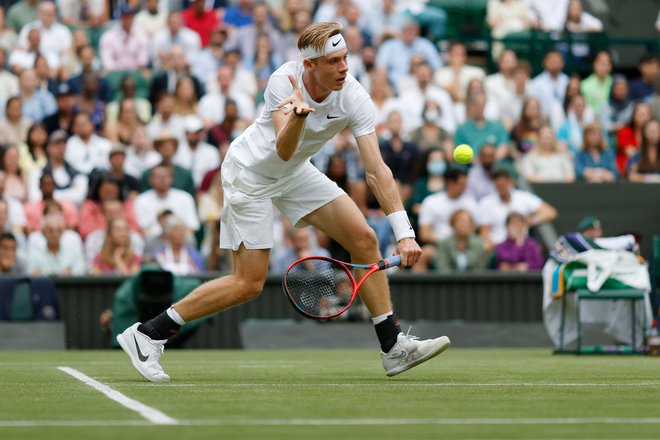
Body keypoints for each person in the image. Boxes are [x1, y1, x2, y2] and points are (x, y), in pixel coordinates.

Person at [117, 22, 449, 382]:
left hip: (293, 173)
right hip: (249, 175)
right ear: (310, 65)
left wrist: (404, 232)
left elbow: (377, 171)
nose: (343, 68)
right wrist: (299, 117)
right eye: (333, 62)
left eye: (345, 59)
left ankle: (392, 347)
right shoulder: (282, 80)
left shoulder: (354, 95)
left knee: (364, 239)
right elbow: (283, 146)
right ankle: (147, 334)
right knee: (248, 283)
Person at [477, 167, 557, 249]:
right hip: (498, 248)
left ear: (510, 182)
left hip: (521, 247)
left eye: (504, 185)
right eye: (499, 186)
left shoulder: (523, 197)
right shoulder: (486, 203)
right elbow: (484, 232)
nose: (502, 189)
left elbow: (550, 212)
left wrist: (531, 221)